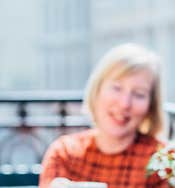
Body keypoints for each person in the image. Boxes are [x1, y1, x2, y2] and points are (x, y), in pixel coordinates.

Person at [39, 43, 167, 188]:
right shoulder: (64, 153)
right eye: (116, 88)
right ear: (97, 90)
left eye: (139, 94)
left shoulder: (163, 161)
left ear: (151, 105)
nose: (125, 103)